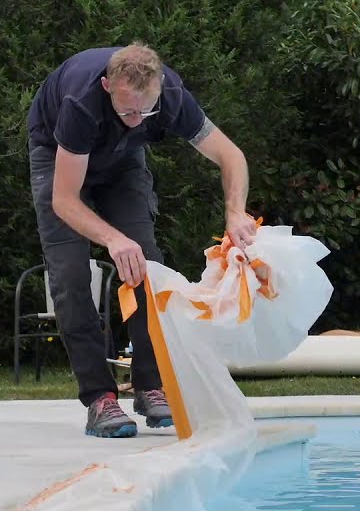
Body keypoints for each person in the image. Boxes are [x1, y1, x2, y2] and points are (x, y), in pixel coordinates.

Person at [27, 43, 256, 438]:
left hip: (122, 162)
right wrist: (113, 239)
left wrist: (236, 210)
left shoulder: (169, 97)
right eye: (127, 110)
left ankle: (151, 386)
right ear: (106, 86)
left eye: (144, 111)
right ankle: (100, 398)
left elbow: (231, 156)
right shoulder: (81, 102)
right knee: (70, 277)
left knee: (146, 264)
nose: (137, 119)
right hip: (59, 154)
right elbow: (64, 201)